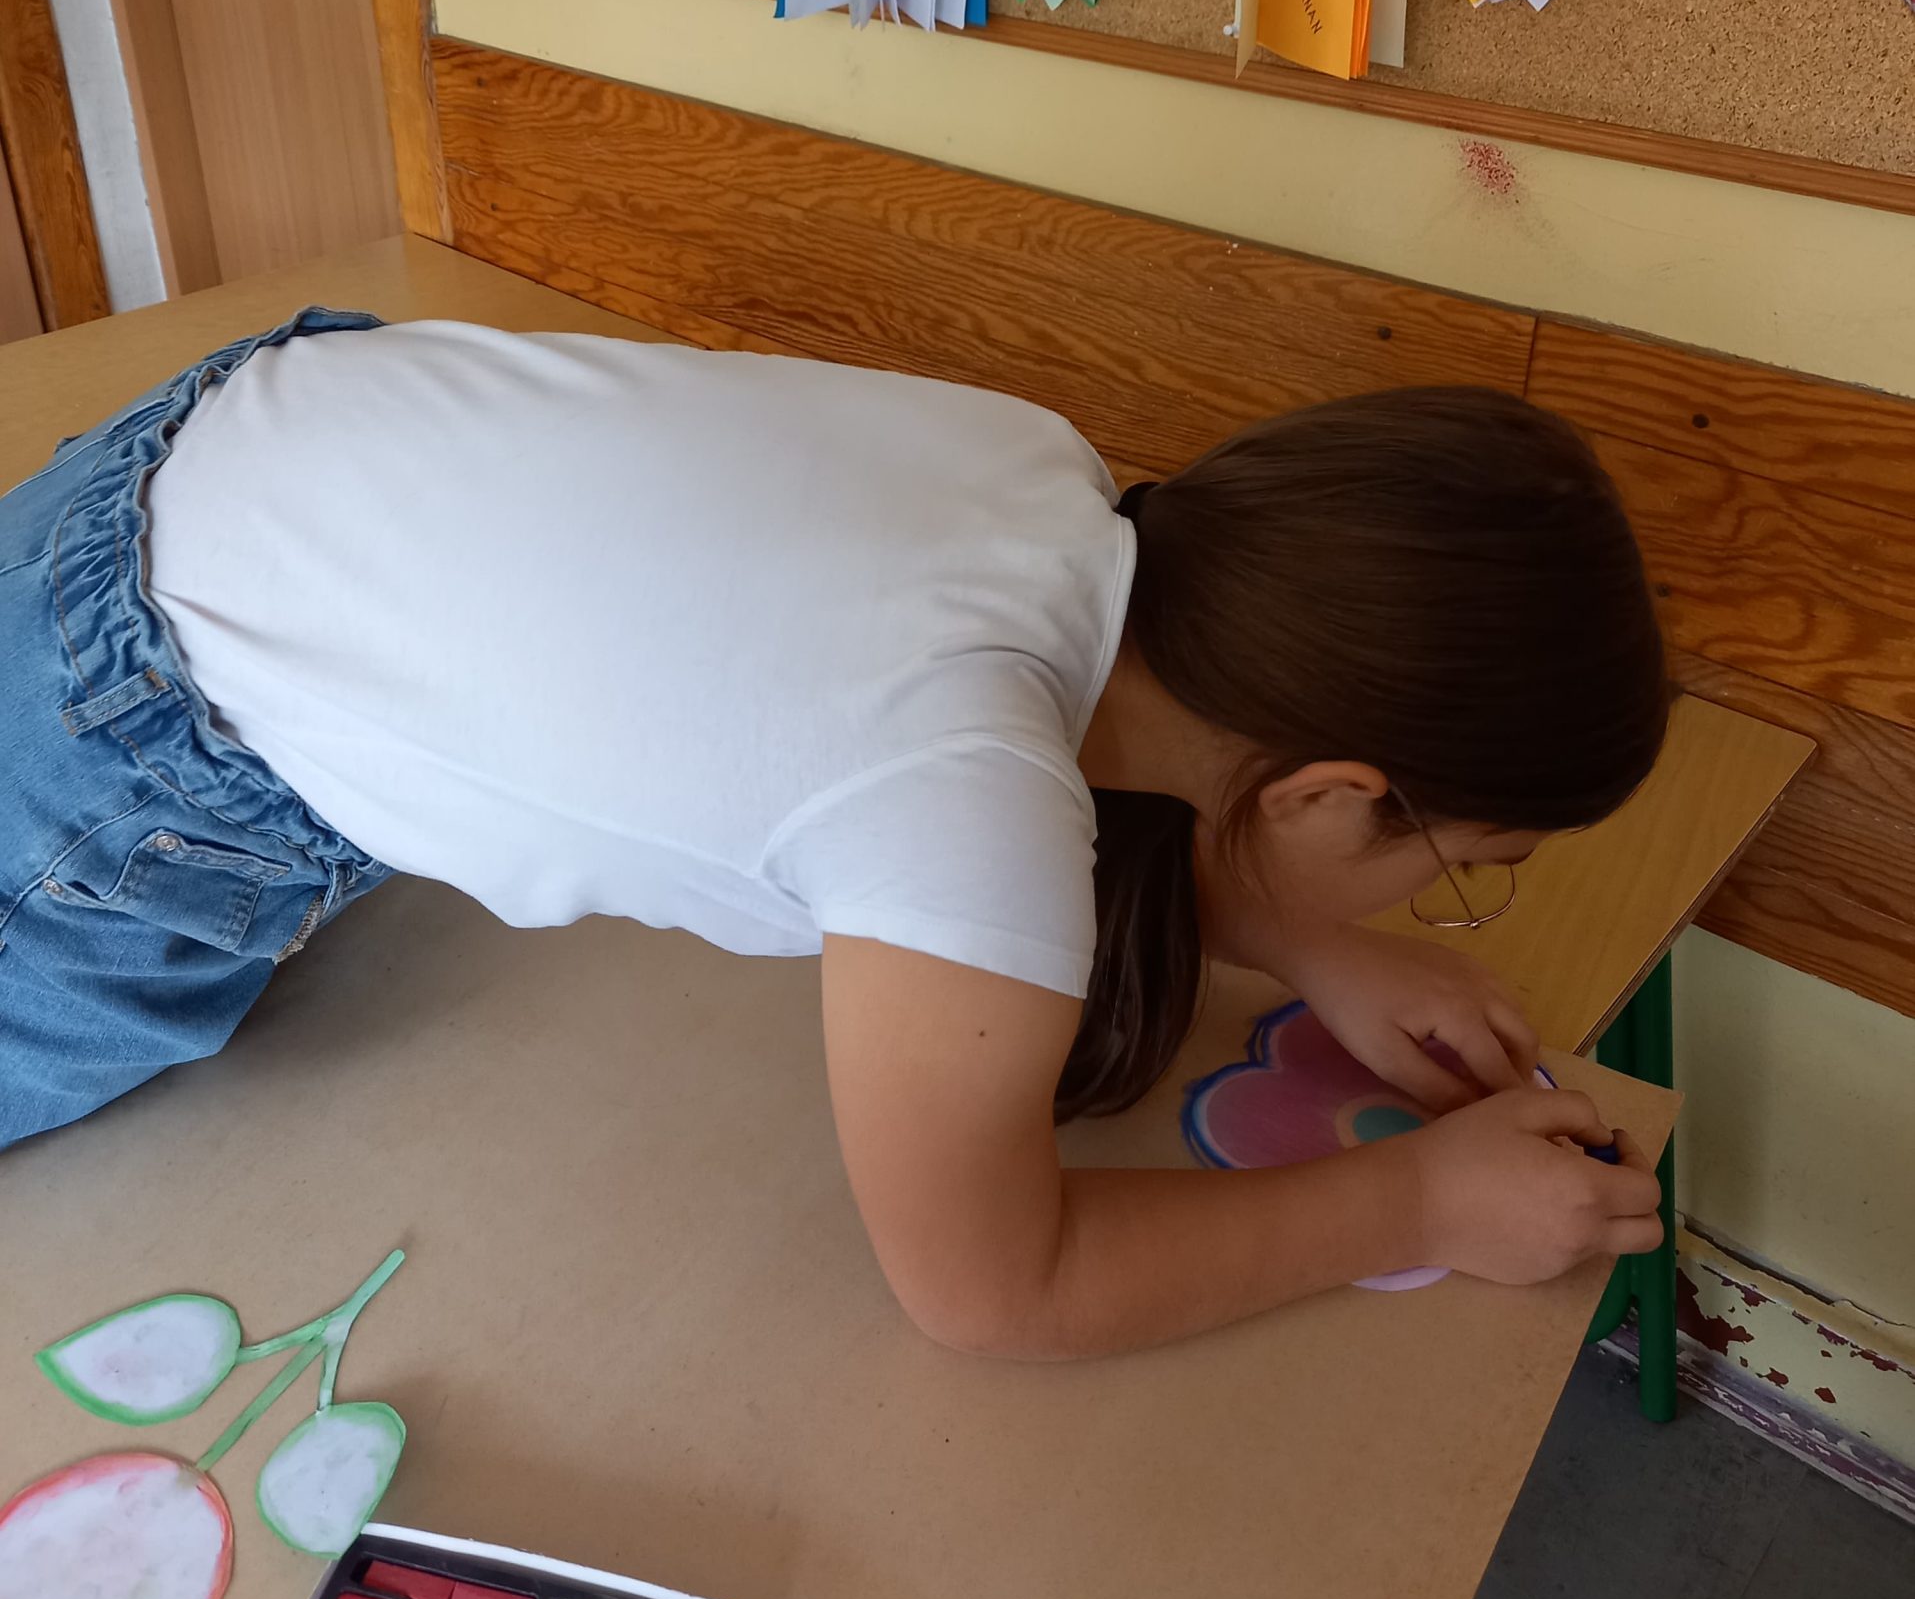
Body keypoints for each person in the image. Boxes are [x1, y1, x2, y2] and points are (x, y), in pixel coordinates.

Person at [0, 313, 1670, 1354]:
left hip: (225, 441)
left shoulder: (1057, 479)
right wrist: (1419, 1209)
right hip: (133, 747)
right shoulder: (969, 813)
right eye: (1455, 868)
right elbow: (999, 1290)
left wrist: (1308, 938)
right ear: (1322, 791)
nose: (1439, 900)